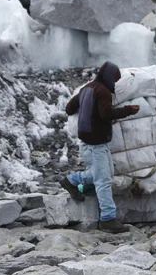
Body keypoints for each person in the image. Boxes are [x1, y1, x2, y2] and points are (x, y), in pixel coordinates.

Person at [59, 61, 139, 234]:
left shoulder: (87, 88)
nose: (115, 84)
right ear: (109, 77)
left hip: (88, 143)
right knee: (103, 181)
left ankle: (71, 181)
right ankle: (108, 219)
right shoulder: (103, 92)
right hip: (96, 144)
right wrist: (128, 110)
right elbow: (106, 114)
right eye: (115, 80)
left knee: (105, 174)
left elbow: (68, 108)